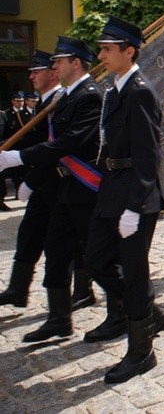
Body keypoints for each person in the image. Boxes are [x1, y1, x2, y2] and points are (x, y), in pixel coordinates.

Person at [85, 16, 164, 383]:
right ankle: (148, 313)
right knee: (96, 261)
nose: (101, 55)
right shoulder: (116, 90)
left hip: (134, 195)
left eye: (107, 49)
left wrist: (135, 207)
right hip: (112, 188)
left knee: (135, 274)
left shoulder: (139, 91)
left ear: (128, 51)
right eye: (102, 49)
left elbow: (148, 154)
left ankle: (141, 351)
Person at [0, 36, 102, 343]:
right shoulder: (66, 97)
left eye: (56, 62)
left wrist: (25, 169)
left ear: (72, 63)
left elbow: (66, 144)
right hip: (63, 189)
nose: (37, 74)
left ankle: (138, 311)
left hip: (78, 186)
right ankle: (59, 318)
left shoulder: (88, 95)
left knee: (98, 256)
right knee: (56, 251)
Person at [0, 50, 64, 307]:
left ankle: (78, 293)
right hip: (41, 184)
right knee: (28, 234)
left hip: (58, 182)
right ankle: (18, 289)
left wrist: (31, 179)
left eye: (36, 71)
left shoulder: (60, 100)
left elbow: (53, 148)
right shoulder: (41, 103)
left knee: (69, 245)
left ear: (52, 72)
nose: (31, 76)